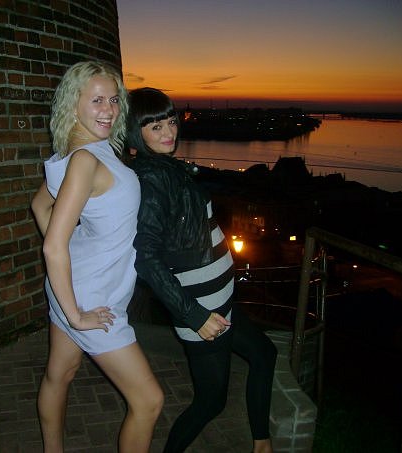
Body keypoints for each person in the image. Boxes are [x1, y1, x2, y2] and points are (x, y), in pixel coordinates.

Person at [127, 87, 277, 453]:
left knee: (264, 354)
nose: (169, 132)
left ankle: (261, 443)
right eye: (155, 127)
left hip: (218, 303)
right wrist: (194, 315)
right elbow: (146, 259)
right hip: (203, 311)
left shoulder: (168, 168)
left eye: (171, 121)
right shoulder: (153, 179)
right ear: (135, 133)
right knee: (210, 403)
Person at [31, 63, 163, 452]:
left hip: (77, 284)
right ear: (73, 104)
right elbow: (52, 246)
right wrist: (76, 313)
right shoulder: (85, 160)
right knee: (149, 401)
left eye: (114, 100)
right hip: (90, 298)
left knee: (60, 373)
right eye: (97, 100)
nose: (109, 110)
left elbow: (40, 206)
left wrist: (76, 251)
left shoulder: (85, 150)